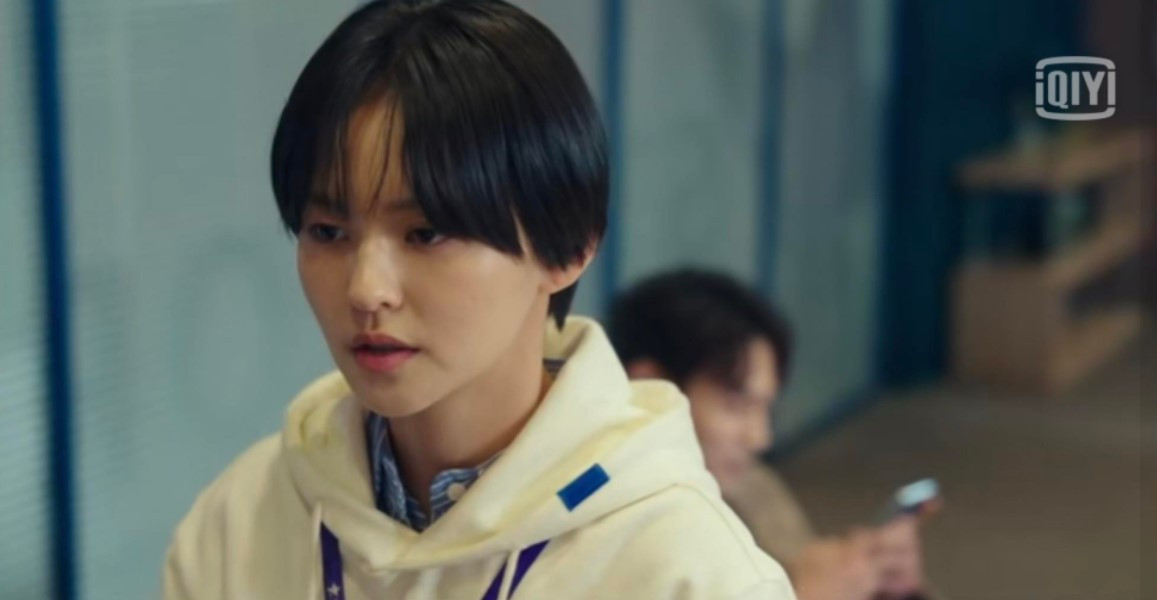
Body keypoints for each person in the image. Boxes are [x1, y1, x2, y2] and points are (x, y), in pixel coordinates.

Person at [163, 2, 795, 599]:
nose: (366, 289)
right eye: (328, 232)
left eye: (426, 234)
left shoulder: (688, 572)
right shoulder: (243, 519)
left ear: (568, 248)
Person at [609, 268, 933, 600]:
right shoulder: (607, 530)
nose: (760, 438)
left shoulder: (752, 486)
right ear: (649, 386)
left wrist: (890, 590)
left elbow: (804, 566)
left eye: (766, 408)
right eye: (736, 406)